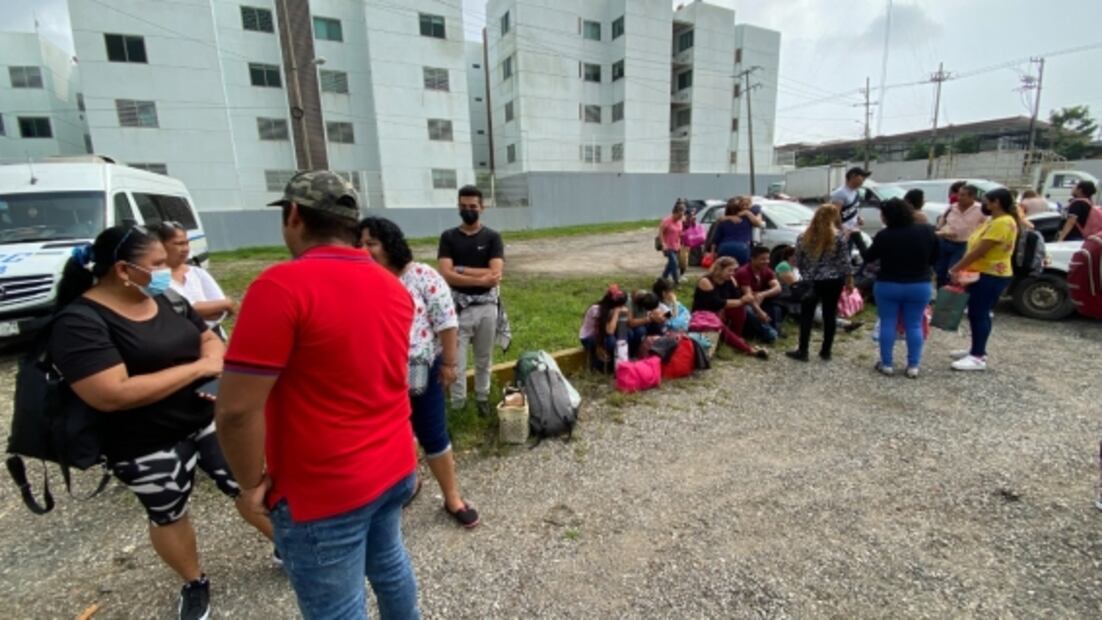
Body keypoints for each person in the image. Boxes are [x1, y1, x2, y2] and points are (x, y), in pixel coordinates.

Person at [216, 171, 420, 619]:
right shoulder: (392, 285)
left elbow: (235, 412)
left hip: (325, 488)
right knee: (390, 566)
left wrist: (250, 485)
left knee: (338, 608)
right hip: (393, 463)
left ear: (293, 215)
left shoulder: (280, 288)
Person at [50, 225, 273, 620]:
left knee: (251, 485)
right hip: (144, 440)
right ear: (123, 270)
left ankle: (290, 549)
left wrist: (211, 357)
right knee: (168, 512)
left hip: (206, 418)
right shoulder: (80, 322)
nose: (165, 272)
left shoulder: (165, 297)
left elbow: (207, 336)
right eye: (156, 265)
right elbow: (111, 392)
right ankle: (194, 581)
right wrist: (198, 369)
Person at [359, 216, 479, 528]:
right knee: (394, 435)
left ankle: (452, 497)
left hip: (419, 370)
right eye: (359, 244)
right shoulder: (362, 280)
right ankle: (408, 485)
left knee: (432, 432)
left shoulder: (422, 276)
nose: (364, 249)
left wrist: (450, 364)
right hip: (379, 375)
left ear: (390, 244)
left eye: (371, 243)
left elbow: (447, 322)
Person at [438, 185, 506, 416]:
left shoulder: (492, 237)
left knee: (484, 357)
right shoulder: (448, 237)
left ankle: (482, 397)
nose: (468, 210)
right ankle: (458, 403)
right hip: (457, 309)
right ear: (458, 207)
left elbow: (495, 274)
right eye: (464, 206)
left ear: (482, 208)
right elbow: (445, 274)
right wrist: (480, 277)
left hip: (487, 307)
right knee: (456, 360)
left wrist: (461, 270)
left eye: (473, 206)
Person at [862, 198, 939, 378]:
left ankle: (887, 363)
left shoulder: (884, 235)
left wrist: (857, 238)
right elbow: (935, 257)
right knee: (914, 324)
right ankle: (913, 365)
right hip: (919, 284)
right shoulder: (927, 231)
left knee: (888, 322)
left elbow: (869, 257)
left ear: (887, 216)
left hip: (888, 284)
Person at [948, 188, 1019, 372]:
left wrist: (956, 268)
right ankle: (976, 349)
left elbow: (980, 250)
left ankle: (977, 356)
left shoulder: (1003, 222)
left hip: (992, 274)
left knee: (980, 313)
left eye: (987, 201)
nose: (984, 204)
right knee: (976, 312)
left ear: (997, 203)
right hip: (982, 272)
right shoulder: (993, 220)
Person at [786, 204, 853, 362]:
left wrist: (806, 274)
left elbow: (799, 260)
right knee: (829, 314)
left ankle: (803, 350)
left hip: (812, 281)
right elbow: (844, 261)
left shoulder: (803, 237)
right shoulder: (838, 237)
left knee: (807, 315)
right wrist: (849, 279)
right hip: (833, 279)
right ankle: (826, 351)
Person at [156, 221, 237, 338]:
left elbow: (224, 310)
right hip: (182, 340)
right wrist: (225, 303)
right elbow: (176, 311)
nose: (185, 249)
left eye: (187, 243)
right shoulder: (156, 279)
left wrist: (219, 306)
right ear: (161, 245)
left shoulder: (197, 273)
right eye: (179, 244)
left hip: (213, 336)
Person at [691, 256, 768, 360]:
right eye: (730, 270)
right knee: (720, 323)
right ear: (720, 269)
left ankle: (738, 336)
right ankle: (748, 349)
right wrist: (741, 301)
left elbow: (736, 297)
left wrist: (745, 298)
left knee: (740, 308)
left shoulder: (730, 280)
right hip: (704, 315)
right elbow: (716, 303)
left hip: (721, 311)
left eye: (734, 270)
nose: (732, 273)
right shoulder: (706, 281)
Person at [934, 184, 987, 288]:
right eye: (958, 194)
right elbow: (942, 221)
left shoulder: (980, 210)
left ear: (972, 197)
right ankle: (941, 292)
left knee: (953, 272)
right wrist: (942, 230)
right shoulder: (952, 207)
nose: (959, 197)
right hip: (945, 242)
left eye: (963, 195)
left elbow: (986, 227)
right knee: (939, 271)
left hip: (962, 245)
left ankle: (950, 294)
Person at [736, 245, 784, 342]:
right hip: (743, 303)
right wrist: (760, 312)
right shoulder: (743, 272)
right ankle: (769, 333)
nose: (766, 261)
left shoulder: (766, 270)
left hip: (758, 300)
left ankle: (774, 330)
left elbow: (778, 288)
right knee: (748, 310)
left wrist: (762, 294)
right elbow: (749, 297)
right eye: (762, 259)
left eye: (767, 259)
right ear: (752, 259)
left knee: (775, 305)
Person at [580, 285, 629, 369]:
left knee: (628, 334)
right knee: (611, 341)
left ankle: (619, 361)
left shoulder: (610, 309)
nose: (622, 308)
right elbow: (609, 331)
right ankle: (599, 364)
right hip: (590, 338)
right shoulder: (597, 309)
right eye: (620, 306)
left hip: (602, 335)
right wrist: (616, 313)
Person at [707, 196, 762, 266]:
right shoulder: (748, 219)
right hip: (742, 248)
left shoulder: (723, 221)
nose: (745, 206)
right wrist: (748, 213)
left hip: (724, 248)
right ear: (740, 208)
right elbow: (758, 223)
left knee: (725, 269)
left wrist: (712, 255)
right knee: (742, 270)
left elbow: (715, 241)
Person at [830, 167, 870, 254]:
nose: (863, 181)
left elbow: (853, 209)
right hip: (843, 231)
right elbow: (835, 214)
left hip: (854, 229)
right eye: (862, 177)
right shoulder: (840, 193)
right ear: (853, 176)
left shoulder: (856, 192)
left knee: (865, 252)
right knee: (845, 254)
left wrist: (858, 218)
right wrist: (842, 229)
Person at [658, 201, 686, 285]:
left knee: (670, 264)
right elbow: (660, 232)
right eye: (679, 215)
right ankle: (676, 281)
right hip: (668, 246)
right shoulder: (667, 220)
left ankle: (663, 278)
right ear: (675, 213)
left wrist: (683, 236)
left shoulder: (680, 221)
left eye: (682, 215)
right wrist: (663, 244)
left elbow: (679, 232)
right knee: (674, 262)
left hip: (676, 246)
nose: (681, 217)